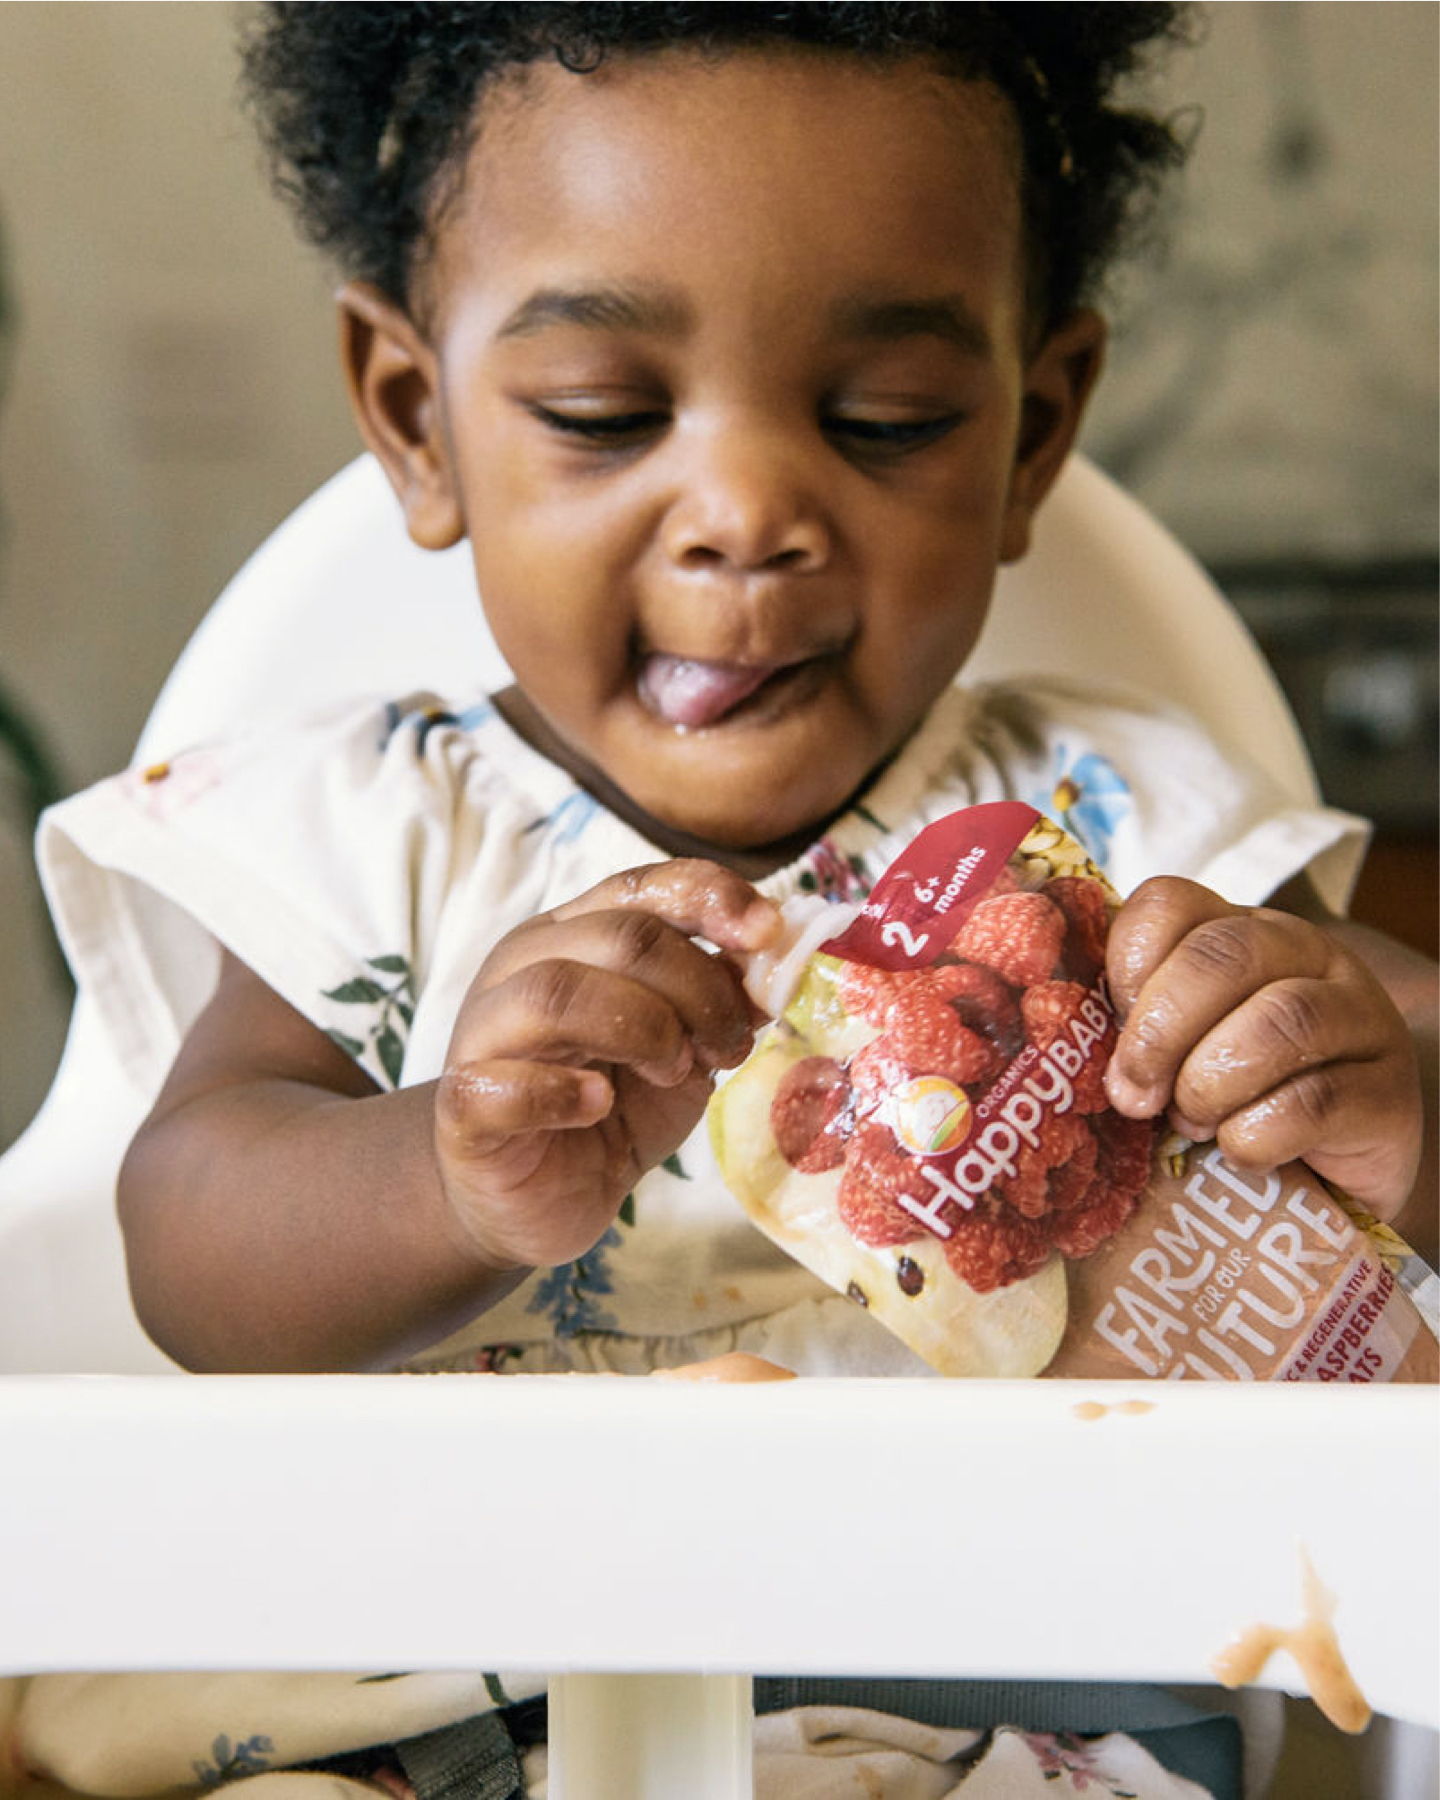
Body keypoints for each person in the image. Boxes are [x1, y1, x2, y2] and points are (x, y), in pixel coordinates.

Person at [17, 4, 1435, 1794]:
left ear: (1033, 431)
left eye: (889, 419)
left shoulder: (1120, 825)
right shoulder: (366, 825)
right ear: (416, 417)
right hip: (435, 1713)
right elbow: (184, 1245)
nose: (749, 512)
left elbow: (1408, 1054)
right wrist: (444, 1171)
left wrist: (1361, 1093)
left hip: (1013, 1704)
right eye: (607, 416)